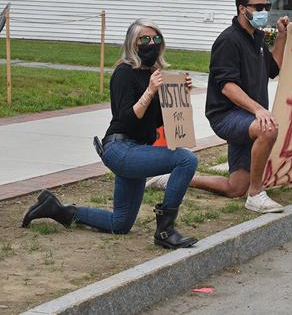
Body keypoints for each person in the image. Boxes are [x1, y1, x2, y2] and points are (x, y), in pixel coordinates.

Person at [23, 20, 198, 249]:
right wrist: (150, 91)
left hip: (138, 150)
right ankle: (165, 230)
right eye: (144, 39)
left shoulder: (154, 74)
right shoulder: (124, 73)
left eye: (157, 39)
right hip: (120, 149)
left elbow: (156, 123)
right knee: (187, 160)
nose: (151, 43)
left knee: (120, 223)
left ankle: (57, 209)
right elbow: (125, 119)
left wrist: (179, 95)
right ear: (132, 43)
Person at [147, 0, 289, 213]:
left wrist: (282, 37)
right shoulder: (228, 41)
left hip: (247, 116)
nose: (264, 11)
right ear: (242, 9)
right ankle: (256, 194)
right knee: (268, 128)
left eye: (267, 6)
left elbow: (273, 69)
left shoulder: (258, 38)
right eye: (259, 6)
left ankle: (169, 179)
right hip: (227, 115)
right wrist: (258, 110)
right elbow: (227, 86)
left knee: (235, 188)